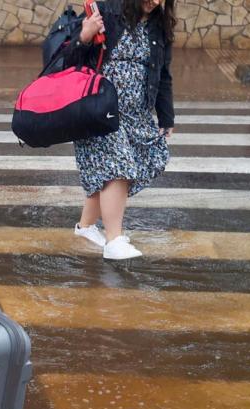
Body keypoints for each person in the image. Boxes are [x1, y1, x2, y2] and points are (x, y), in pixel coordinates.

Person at [68, 0, 176, 260]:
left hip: (136, 115)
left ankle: (85, 227)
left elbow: (163, 75)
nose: (155, 1)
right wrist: (85, 35)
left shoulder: (159, 25)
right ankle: (113, 239)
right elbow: (69, 59)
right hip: (100, 109)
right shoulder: (106, 12)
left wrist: (166, 117)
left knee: (115, 170)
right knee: (118, 167)